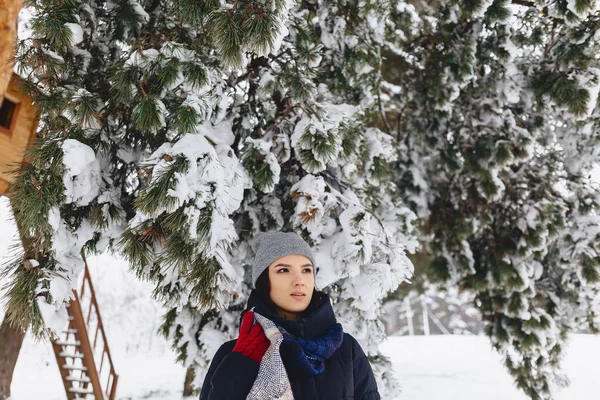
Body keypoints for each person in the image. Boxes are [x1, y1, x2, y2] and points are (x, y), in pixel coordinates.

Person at [199, 231, 380, 400]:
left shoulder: (346, 350)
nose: (299, 280)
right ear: (264, 281)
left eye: (306, 270)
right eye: (284, 270)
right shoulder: (235, 353)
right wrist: (242, 365)